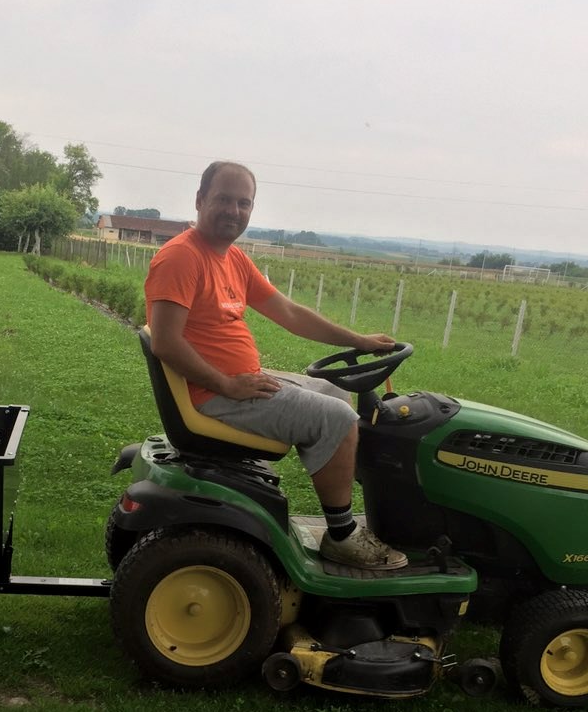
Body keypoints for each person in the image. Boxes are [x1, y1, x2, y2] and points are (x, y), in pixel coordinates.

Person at [144, 160, 407, 571]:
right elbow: (165, 341)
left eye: (243, 203)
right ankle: (341, 535)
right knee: (337, 416)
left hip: (236, 384)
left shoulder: (231, 259)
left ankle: (357, 514)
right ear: (199, 200)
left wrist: (357, 340)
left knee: (335, 392)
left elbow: (288, 312)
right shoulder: (181, 258)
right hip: (215, 396)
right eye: (224, 200)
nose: (234, 211)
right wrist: (227, 385)